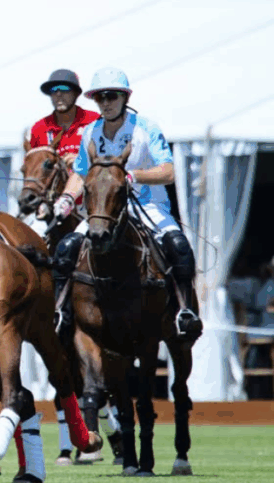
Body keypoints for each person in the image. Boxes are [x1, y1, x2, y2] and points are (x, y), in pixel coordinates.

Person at [50, 67, 202, 341]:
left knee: (179, 246)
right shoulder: (90, 132)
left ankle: (185, 311)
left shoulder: (146, 128)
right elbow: (81, 172)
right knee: (65, 249)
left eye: (112, 96)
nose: (106, 103)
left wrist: (133, 176)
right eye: (100, 98)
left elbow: (168, 171)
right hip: (104, 210)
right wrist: (67, 198)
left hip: (148, 205)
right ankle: (62, 311)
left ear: (124, 98)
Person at [27, 69, 100, 164]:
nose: (58, 94)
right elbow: (33, 168)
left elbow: (109, 157)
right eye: (53, 90)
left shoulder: (95, 121)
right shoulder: (39, 128)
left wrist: (82, 161)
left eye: (64, 88)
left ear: (76, 94)